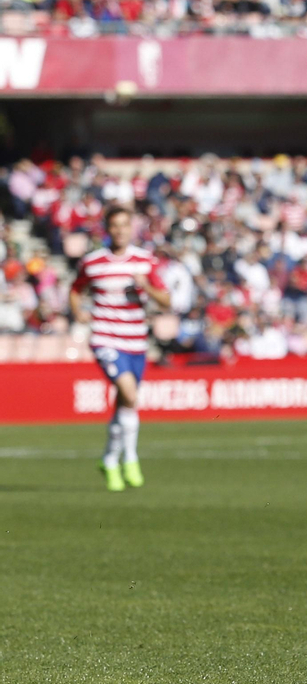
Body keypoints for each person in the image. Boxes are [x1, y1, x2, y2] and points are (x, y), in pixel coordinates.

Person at [69, 204, 170, 492]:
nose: (120, 230)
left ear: (132, 227)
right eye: (115, 225)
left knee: (125, 403)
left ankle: (110, 459)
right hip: (106, 338)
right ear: (107, 229)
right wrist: (78, 311)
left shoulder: (145, 261)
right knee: (129, 394)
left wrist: (145, 287)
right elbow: (76, 289)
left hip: (135, 340)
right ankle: (131, 459)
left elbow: (166, 301)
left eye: (125, 224)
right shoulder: (93, 262)